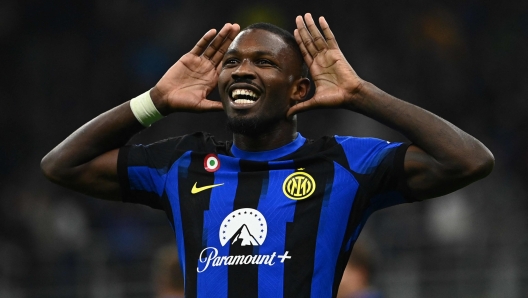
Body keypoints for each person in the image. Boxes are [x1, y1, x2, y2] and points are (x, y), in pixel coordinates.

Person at [41, 13, 494, 298]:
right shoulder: (180, 164)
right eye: (233, 62)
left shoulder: (345, 164)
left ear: (299, 90)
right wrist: (155, 100)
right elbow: (62, 165)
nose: (242, 70)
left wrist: (362, 95)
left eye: (265, 63)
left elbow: (469, 161)